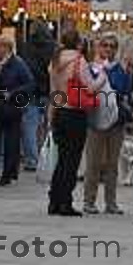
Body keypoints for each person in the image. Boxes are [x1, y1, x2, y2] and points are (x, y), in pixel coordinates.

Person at [48, 31, 107, 216]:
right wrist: (102, 76)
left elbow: (54, 91)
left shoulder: (55, 61)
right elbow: (90, 87)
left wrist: (52, 114)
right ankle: (66, 201)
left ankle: (54, 200)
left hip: (60, 112)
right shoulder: (79, 61)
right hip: (75, 113)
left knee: (62, 159)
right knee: (72, 160)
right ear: (79, 44)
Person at [83, 34, 132, 215]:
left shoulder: (120, 69)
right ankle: (89, 201)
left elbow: (124, 89)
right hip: (95, 119)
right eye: (105, 45)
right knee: (93, 162)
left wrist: (125, 73)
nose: (108, 49)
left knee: (112, 163)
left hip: (116, 121)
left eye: (112, 46)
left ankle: (111, 202)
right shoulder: (92, 68)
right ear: (98, 47)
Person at [0, 37, 35, 186]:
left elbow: (30, 84)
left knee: (11, 142)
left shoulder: (18, 64)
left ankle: (8, 175)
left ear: (6, 48)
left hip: (12, 107)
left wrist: (13, 93)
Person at [19, 20, 56, 171]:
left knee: (30, 125)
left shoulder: (26, 47)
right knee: (47, 125)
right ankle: (46, 157)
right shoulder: (54, 48)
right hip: (50, 91)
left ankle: (32, 160)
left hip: (31, 91)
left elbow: (24, 69)